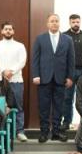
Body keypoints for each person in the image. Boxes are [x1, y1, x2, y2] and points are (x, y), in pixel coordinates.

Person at [32, 14, 76, 143]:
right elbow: (35, 59)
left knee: (59, 106)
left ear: (59, 23)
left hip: (61, 78)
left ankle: (56, 132)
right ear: (47, 24)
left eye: (56, 21)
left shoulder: (67, 39)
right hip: (44, 78)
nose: (54, 23)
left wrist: (70, 77)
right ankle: (44, 132)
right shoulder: (40, 39)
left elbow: (71, 60)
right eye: (52, 21)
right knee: (44, 106)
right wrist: (36, 75)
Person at [0, 22, 28, 141]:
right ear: (2, 31)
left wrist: (11, 71)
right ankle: (2, 132)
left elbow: (22, 61)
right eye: (6, 29)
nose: (8, 31)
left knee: (18, 106)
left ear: (13, 31)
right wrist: (2, 72)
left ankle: (19, 131)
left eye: (10, 29)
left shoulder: (20, 46)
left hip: (16, 80)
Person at [60, 13, 82, 131]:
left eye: (77, 22)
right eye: (73, 22)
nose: (76, 24)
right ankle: (66, 122)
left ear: (80, 22)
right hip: (68, 72)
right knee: (67, 98)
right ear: (69, 23)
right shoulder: (63, 36)